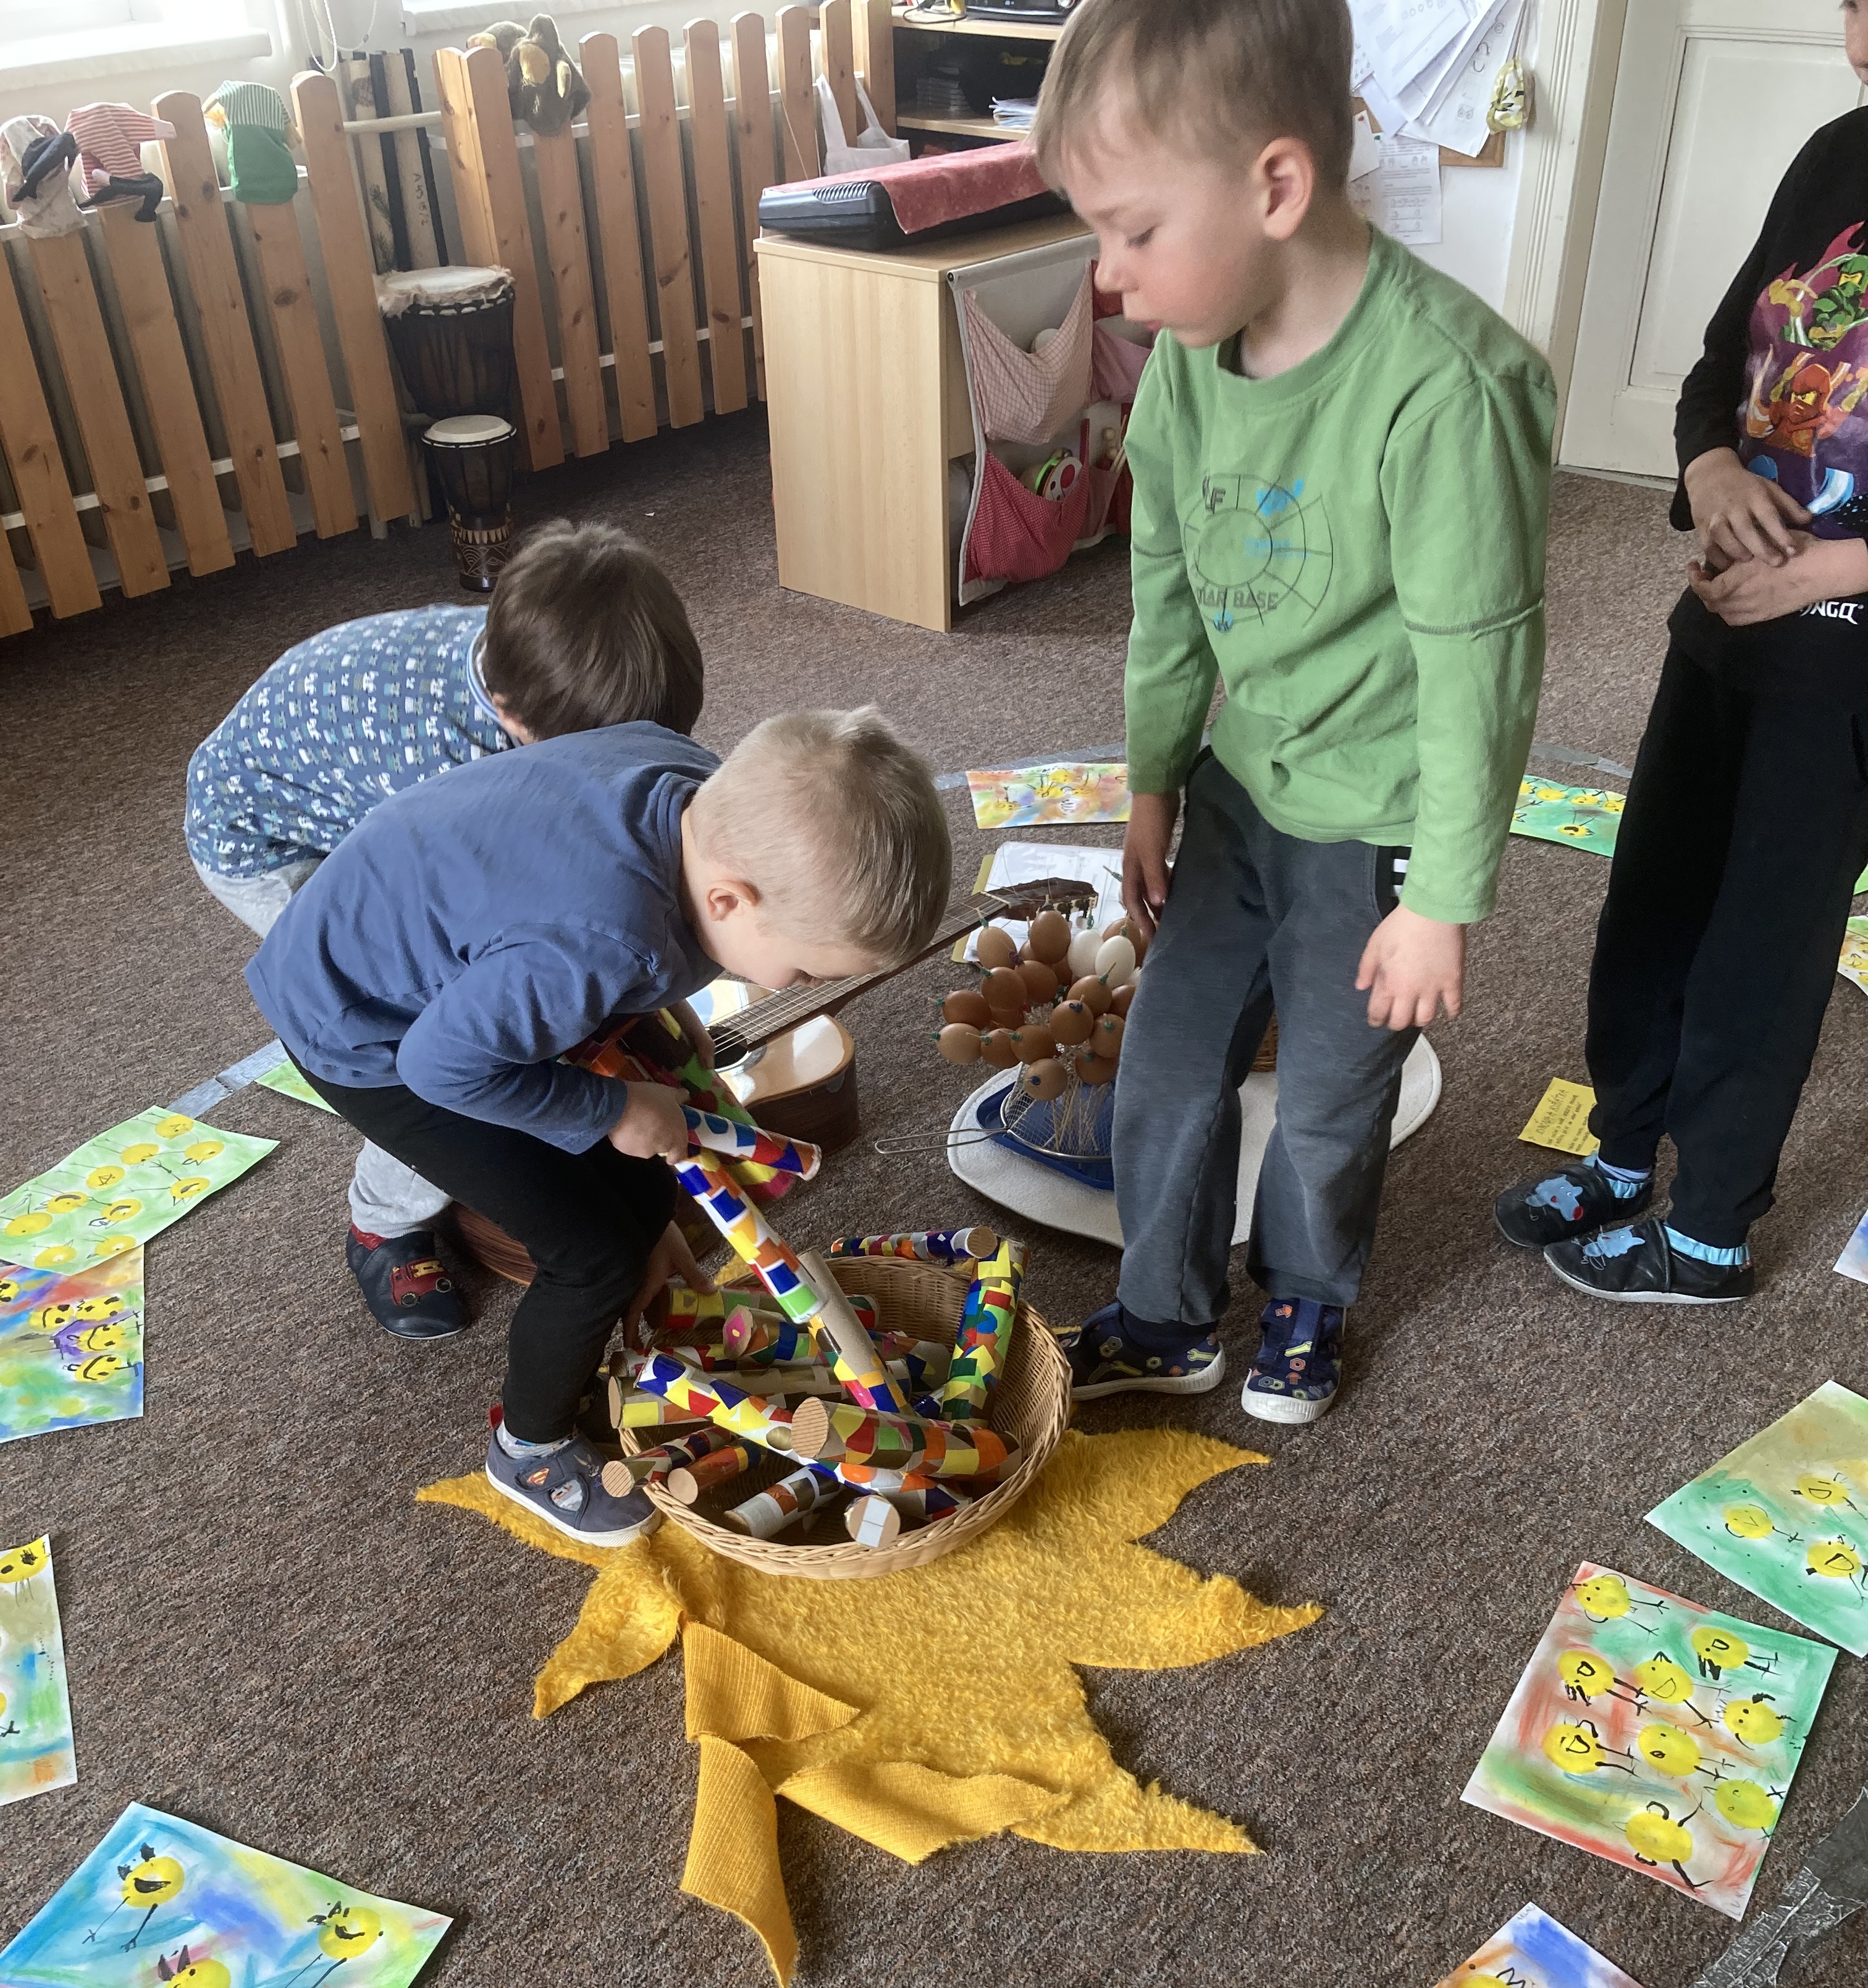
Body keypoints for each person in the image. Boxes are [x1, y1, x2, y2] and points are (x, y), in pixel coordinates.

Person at [1031, 0, 1554, 1420]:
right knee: (1166, 1062)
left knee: (1331, 1095)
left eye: (1135, 232)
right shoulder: (1186, 363)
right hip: (1240, 792)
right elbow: (1166, 599)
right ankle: (1164, 1315)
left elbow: (1482, 674)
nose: (1107, 278)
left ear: (1274, 185)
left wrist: (1440, 901)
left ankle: (1308, 1301)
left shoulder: (1448, 390)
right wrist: (1153, 783)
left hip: (1377, 825)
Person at [245, 708, 951, 1546]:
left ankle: (639, 1248)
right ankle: (528, 1448)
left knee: (654, 1149)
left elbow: (575, 903)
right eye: (799, 971)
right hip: (371, 1036)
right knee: (592, 1255)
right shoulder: (601, 943)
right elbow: (442, 1067)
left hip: (449, 957)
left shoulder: (699, 792)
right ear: (729, 899)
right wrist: (610, 1108)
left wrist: (657, 1031)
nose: (791, 987)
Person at [1495, 0, 1868, 1304]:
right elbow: (1723, 359)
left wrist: (1830, 571)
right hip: (1726, 621)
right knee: (1653, 895)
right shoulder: (1837, 153)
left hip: (1846, 662)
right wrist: (1710, 467)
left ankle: (1708, 1229)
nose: (1861, 31)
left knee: (1765, 939)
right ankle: (1619, 1150)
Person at [185, 522, 704, 1341]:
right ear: (508, 715)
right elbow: (469, 997)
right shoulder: (450, 762)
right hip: (275, 848)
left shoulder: (551, 670)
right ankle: (383, 1223)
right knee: (413, 1046)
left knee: (522, 1022)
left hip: (353, 808)